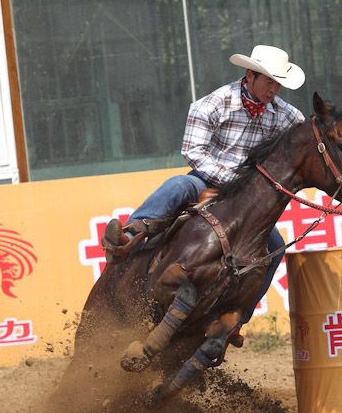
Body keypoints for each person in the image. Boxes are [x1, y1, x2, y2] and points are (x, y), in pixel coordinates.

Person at [102, 44, 306, 343]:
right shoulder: (213, 104)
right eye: (268, 81)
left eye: (278, 83)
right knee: (178, 187)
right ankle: (128, 238)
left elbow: (303, 136)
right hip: (207, 180)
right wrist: (228, 180)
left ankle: (236, 319)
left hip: (245, 200)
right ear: (249, 75)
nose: (273, 89)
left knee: (274, 248)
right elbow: (193, 151)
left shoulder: (285, 115)